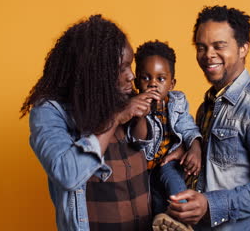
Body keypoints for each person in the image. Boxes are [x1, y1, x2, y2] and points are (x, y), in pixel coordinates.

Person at [20, 15, 161, 231]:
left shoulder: (122, 97)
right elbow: (68, 174)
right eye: (121, 68)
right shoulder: (49, 112)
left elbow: (148, 154)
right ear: (94, 71)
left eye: (130, 65)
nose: (131, 75)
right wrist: (115, 118)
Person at [166, 5, 250, 230]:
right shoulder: (208, 105)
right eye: (201, 47)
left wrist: (211, 205)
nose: (208, 55)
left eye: (219, 46)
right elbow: (219, 165)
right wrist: (187, 149)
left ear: (243, 48)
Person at [128, 40, 202, 231]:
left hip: (168, 162)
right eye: (146, 78)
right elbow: (138, 142)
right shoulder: (133, 105)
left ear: (172, 83)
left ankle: (184, 218)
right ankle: (167, 224)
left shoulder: (177, 101)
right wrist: (141, 114)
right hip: (143, 169)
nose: (153, 83)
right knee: (155, 202)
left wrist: (195, 147)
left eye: (160, 79)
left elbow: (188, 127)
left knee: (173, 181)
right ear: (136, 81)